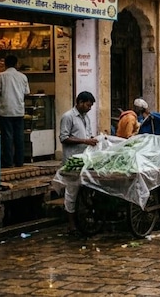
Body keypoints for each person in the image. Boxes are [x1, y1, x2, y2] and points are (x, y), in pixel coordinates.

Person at [59, 91, 98, 232]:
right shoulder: (68, 117)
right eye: (88, 105)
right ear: (80, 102)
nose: (89, 108)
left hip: (85, 159)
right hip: (72, 160)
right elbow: (64, 138)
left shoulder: (86, 118)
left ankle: (84, 218)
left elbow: (87, 135)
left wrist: (94, 139)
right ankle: (71, 223)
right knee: (71, 192)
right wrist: (84, 140)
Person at [0, 55, 30, 168]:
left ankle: (8, 162)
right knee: (19, 137)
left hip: (6, 110)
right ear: (17, 64)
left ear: (5, 64)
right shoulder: (23, 77)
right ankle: (19, 161)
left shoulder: (1, 76)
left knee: (7, 137)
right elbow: (27, 92)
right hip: (19, 110)